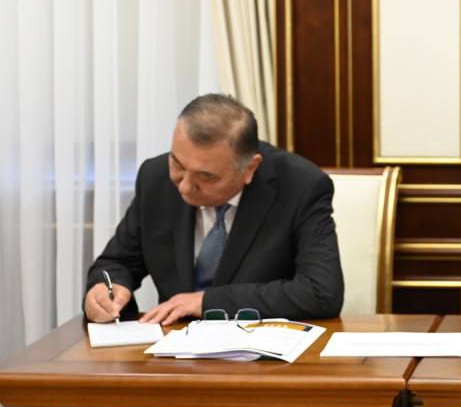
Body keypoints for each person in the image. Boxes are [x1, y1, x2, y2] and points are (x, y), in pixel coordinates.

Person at [84, 94, 343, 324]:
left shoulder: (300, 186)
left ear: (250, 168)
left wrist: (207, 302)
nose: (185, 186)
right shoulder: (156, 177)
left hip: (261, 350)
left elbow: (321, 292)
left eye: (206, 177)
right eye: (177, 165)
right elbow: (117, 262)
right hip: (173, 349)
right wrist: (106, 289)